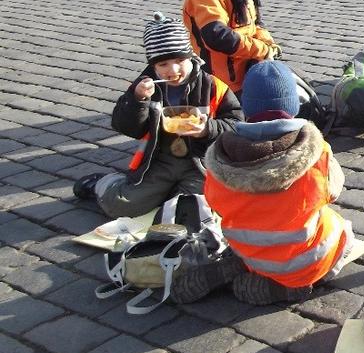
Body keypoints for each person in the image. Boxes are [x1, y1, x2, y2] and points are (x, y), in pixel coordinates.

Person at [198, 61, 354, 305]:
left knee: (251, 223)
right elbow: (333, 190)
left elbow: (213, 202)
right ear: (293, 104)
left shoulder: (220, 156)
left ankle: (243, 263)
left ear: (246, 104)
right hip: (302, 260)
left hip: (249, 251)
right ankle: (294, 286)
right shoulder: (315, 150)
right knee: (343, 230)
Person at [72, 13, 241, 216]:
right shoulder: (143, 87)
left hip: (201, 162)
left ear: (191, 57)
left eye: (180, 60)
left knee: (199, 208)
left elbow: (237, 124)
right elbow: (126, 127)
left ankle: (170, 198)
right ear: (153, 66)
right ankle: (103, 184)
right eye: (163, 64)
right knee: (122, 205)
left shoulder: (213, 86)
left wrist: (207, 129)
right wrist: (138, 100)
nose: (173, 70)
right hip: (160, 160)